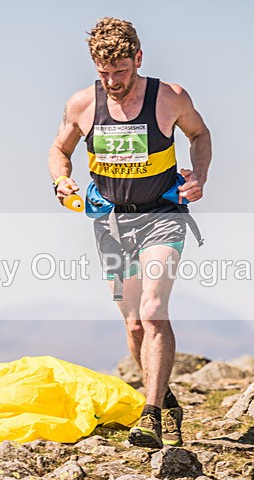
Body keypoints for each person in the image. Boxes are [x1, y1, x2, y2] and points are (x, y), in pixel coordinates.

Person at [48, 18, 211, 448]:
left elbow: (199, 134)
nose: (113, 81)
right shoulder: (83, 104)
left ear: (138, 59)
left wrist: (200, 175)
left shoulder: (169, 98)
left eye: (120, 71)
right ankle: (167, 399)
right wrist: (61, 181)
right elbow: (59, 149)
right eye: (104, 72)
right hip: (110, 221)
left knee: (154, 310)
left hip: (162, 214)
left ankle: (151, 414)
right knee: (135, 324)